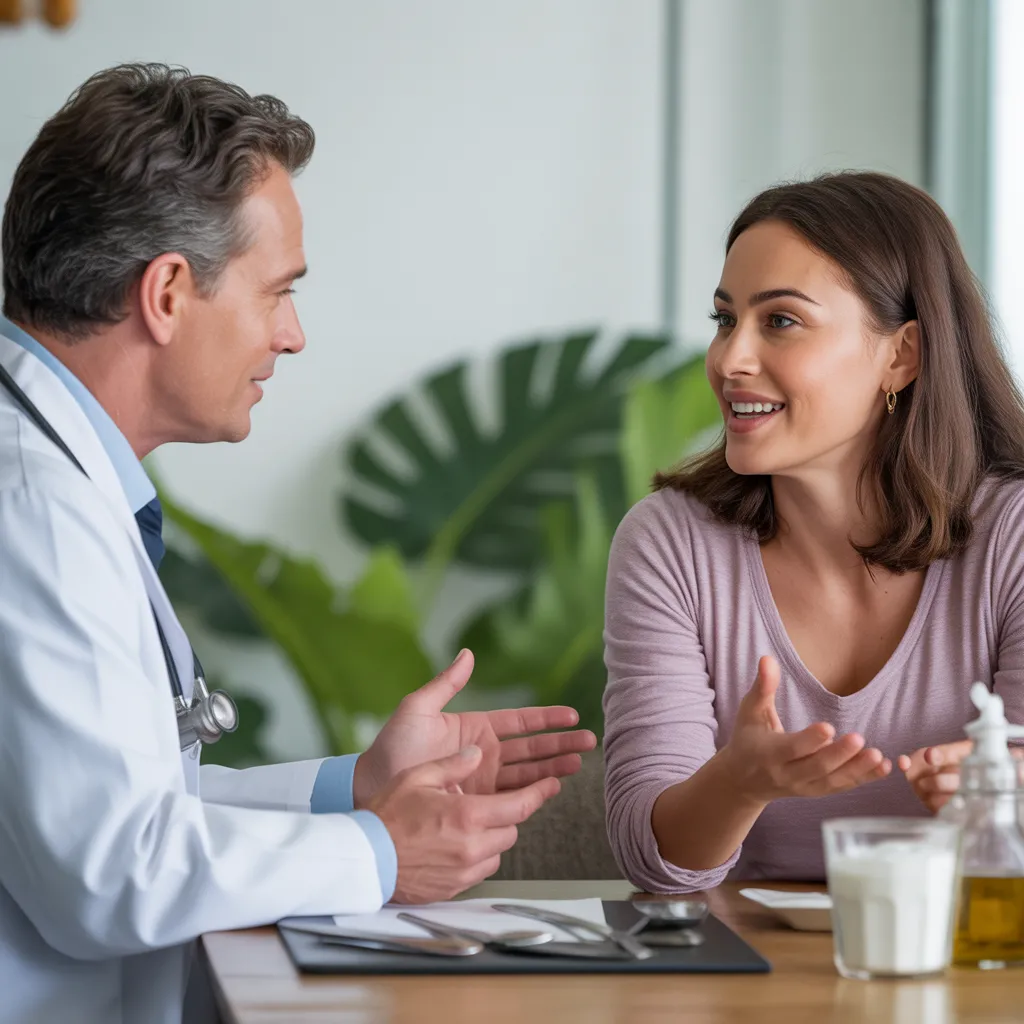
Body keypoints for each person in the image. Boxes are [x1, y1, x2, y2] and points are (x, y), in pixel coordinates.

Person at [0, 64, 596, 1024]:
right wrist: (380, 852)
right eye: (276, 292)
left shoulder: (50, 476)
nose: (293, 335)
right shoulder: (31, 508)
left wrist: (354, 789)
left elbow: (135, 809)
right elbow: (110, 874)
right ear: (165, 294)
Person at [602, 171, 1024, 894]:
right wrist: (738, 781)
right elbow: (655, 864)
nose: (729, 360)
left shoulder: (1011, 537)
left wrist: (998, 801)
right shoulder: (670, 544)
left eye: (781, 321)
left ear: (902, 355)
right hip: (745, 988)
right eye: (724, 319)